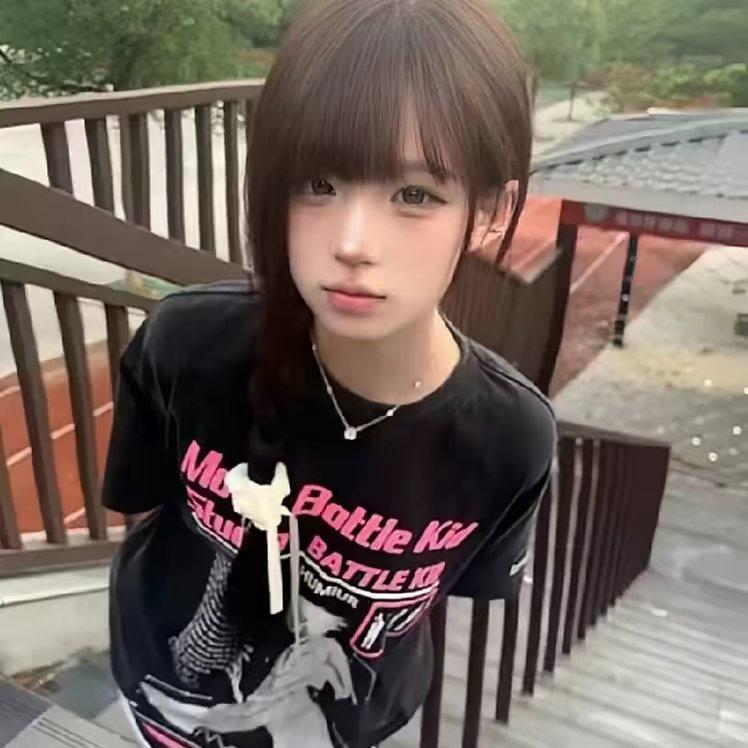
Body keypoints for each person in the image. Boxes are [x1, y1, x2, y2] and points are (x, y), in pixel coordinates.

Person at [102, 1, 557, 746]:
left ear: (487, 211)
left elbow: (451, 595)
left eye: (415, 195)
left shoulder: (510, 438)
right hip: (167, 695)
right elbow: (145, 504)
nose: (352, 242)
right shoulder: (186, 345)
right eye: (318, 183)